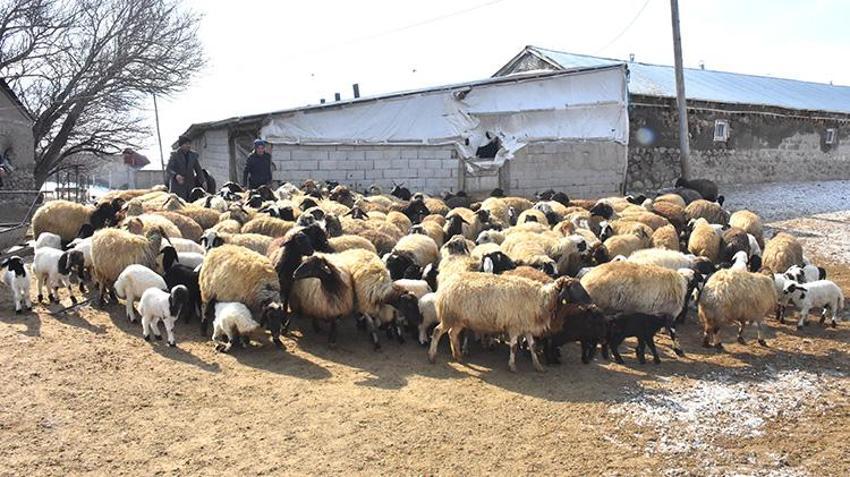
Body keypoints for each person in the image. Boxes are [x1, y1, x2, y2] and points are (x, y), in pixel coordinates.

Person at [166, 136, 203, 200]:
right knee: (177, 205)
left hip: (190, 185)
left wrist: (203, 181)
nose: (188, 145)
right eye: (186, 144)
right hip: (177, 186)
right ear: (181, 145)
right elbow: (169, 169)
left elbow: (198, 169)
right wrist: (176, 175)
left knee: (190, 205)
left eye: (189, 144)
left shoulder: (193, 155)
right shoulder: (175, 155)